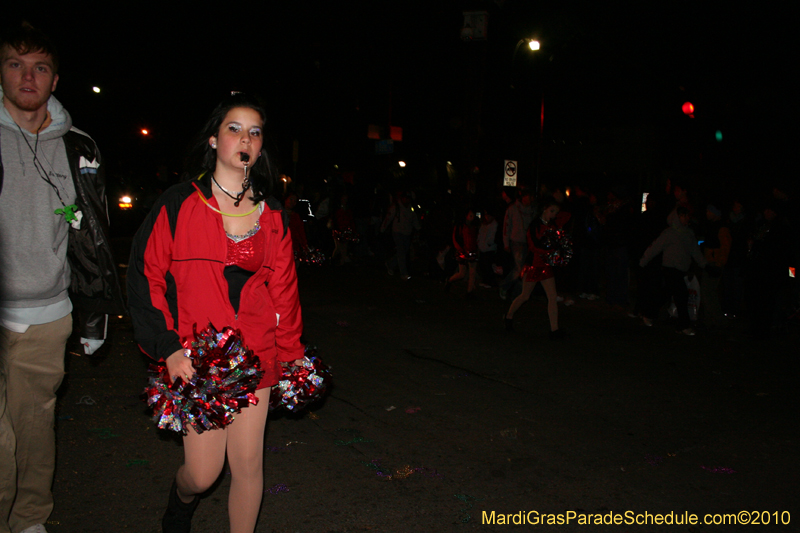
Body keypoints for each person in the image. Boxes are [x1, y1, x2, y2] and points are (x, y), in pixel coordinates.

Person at [127, 93, 305, 533]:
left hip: (257, 353)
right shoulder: (178, 203)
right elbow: (145, 276)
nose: (245, 137)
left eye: (255, 131)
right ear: (213, 140)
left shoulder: (274, 215)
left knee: (247, 465)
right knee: (202, 475)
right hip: (195, 359)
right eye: (234, 128)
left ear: (260, 148)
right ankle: (180, 504)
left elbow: (284, 292)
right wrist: (166, 348)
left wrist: (292, 354)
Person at [0, 23, 125, 533]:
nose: (28, 76)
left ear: (55, 80)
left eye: (40, 67)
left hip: (48, 316)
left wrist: (94, 317)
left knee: (33, 429)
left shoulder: (79, 146)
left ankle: (30, 520)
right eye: (15, 63)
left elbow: (92, 234)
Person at [503, 197, 566, 339]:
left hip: (545, 265)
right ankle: (508, 316)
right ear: (544, 209)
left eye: (556, 212)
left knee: (552, 296)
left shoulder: (552, 225)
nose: (554, 215)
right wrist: (551, 249)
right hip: (533, 265)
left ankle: (554, 330)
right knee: (525, 296)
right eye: (552, 211)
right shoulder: (534, 225)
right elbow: (534, 246)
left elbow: (566, 217)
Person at [639, 206, 707, 335]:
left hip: (681, 270)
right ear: (678, 217)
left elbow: (695, 252)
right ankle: (683, 325)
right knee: (682, 295)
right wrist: (643, 261)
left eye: (688, 216)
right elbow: (655, 248)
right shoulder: (669, 233)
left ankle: (648, 313)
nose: (687, 218)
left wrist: (705, 265)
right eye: (685, 215)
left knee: (665, 295)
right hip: (670, 269)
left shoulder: (689, 234)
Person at [500, 189, 533, 300]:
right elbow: (506, 227)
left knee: (524, 269)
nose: (528, 199)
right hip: (517, 242)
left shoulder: (532, 210)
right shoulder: (513, 209)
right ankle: (504, 286)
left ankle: (518, 293)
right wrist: (506, 243)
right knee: (518, 268)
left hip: (528, 243)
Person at [381, 191, 420, 281]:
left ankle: (390, 264)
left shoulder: (411, 208)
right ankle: (403, 273)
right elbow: (388, 218)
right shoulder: (396, 207)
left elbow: (414, 219)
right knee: (401, 251)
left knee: (403, 251)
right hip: (397, 232)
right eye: (405, 198)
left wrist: (418, 228)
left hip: (407, 233)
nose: (406, 200)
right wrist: (382, 229)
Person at [445, 208, 478, 297]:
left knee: (472, 271)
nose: (472, 218)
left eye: (473, 216)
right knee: (462, 273)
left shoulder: (474, 227)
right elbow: (455, 239)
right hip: (462, 251)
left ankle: (469, 291)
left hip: (472, 251)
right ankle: (450, 280)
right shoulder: (460, 226)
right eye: (470, 216)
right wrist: (461, 250)